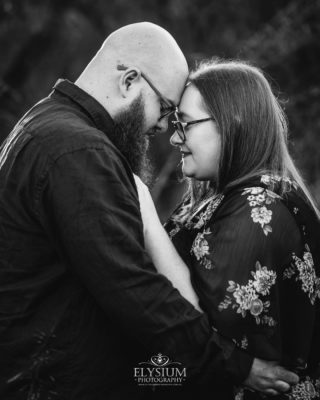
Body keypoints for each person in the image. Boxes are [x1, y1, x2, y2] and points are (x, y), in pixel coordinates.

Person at [0, 22, 298, 399]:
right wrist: (234, 365)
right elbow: (133, 288)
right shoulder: (78, 151)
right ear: (129, 82)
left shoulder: (47, 127)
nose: (165, 127)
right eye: (166, 108)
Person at [135, 60, 320, 399]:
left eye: (185, 123)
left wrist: (146, 215)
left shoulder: (255, 210)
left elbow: (194, 330)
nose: (175, 137)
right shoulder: (224, 199)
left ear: (231, 123)